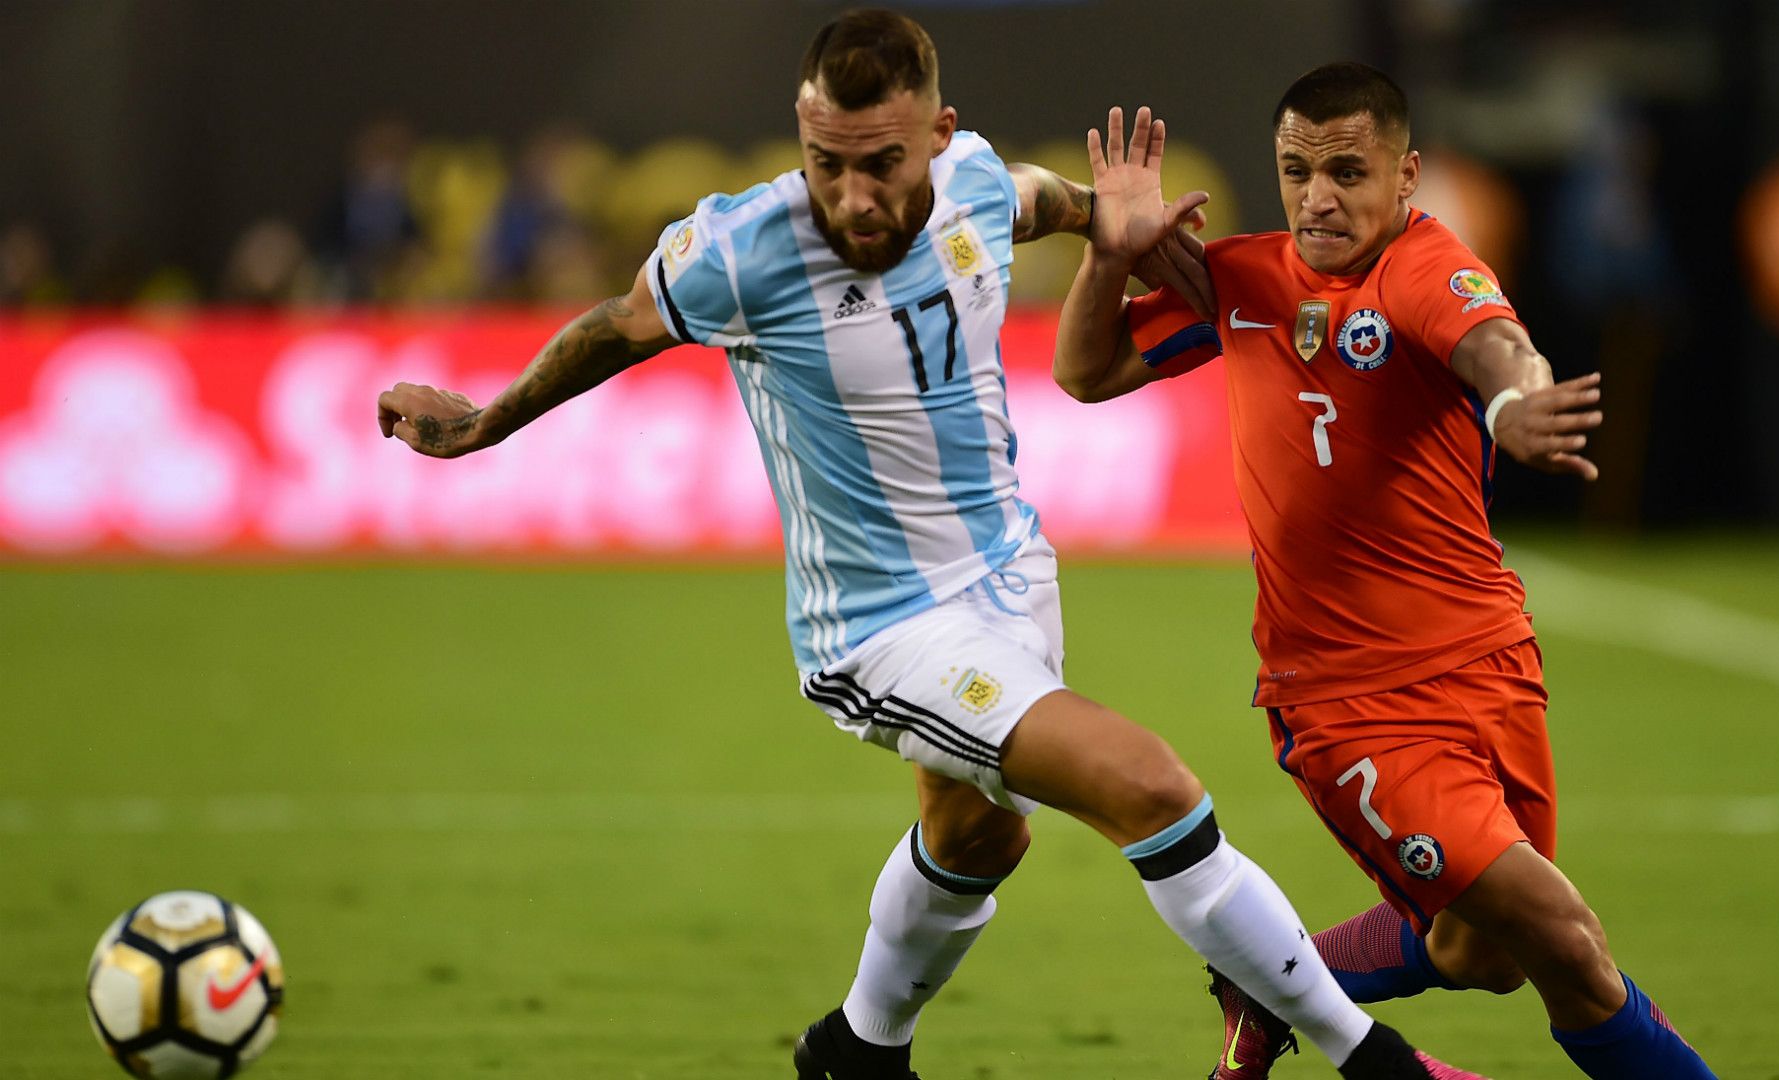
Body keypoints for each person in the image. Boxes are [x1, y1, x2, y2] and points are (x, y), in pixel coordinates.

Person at [374, 13, 1480, 1080]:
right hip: (881, 631)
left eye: (884, 164)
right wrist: (479, 428)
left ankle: (859, 1051)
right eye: (826, 163)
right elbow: (610, 328)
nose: (854, 196)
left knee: (977, 844)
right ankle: (1374, 1061)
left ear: (940, 136)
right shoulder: (741, 250)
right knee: (1152, 789)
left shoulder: (978, 185)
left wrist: (1115, 220)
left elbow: (1048, 203)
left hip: (1011, 582)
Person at [1053, 64, 1718, 1080]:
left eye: (1348, 172)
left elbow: (1496, 344)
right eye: (1296, 171)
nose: (1319, 197)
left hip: (1489, 662)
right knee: (1569, 948)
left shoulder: (1421, 269)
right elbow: (1085, 372)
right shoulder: (1247, 282)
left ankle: (1268, 981)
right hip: (1349, 703)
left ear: (1405, 176)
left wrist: (1513, 405)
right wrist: (1109, 255)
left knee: (1482, 953)